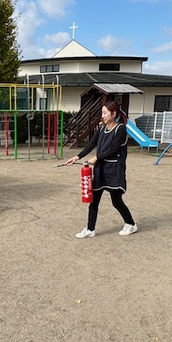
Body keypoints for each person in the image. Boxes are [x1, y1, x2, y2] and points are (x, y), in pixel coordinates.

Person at [65, 101, 137, 239]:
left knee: (116, 201)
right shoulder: (102, 129)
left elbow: (114, 149)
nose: (102, 116)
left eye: (105, 113)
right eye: (102, 113)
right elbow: (91, 145)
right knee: (94, 201)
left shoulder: (120, 129)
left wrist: (96, 157)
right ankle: (90, 229)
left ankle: (131, 224)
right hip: (101, 170)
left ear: (113, 114)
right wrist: (77, 157)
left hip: (114, 170)